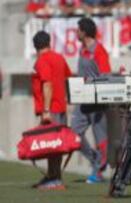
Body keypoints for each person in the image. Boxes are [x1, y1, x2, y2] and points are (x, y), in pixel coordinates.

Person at [71, 17, 111, 184]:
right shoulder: (82, 49)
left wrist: (93, 85)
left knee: (99, 135)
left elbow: (106, 75)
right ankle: (96, 159)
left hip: (96, 98)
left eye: (78, 29)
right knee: (73, 134)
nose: (76, 32)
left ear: (84, 32)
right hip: (82, 99)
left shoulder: (99, 50)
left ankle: (98, 172)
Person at [31, 31, 72, 190]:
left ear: (35, 46)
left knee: (52, 146)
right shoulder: (59, 57)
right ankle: (53, 176)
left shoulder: (42, 61)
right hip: (60, 106)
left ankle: (55, 179)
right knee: (57, 145)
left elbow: (47, 84)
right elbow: (67, 77)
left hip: (51, 109)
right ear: (49, 42)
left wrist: (46, 110)